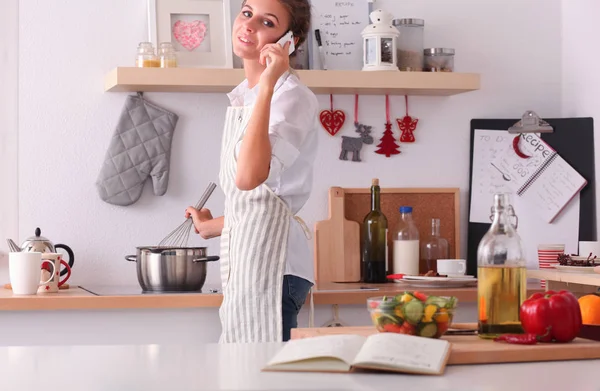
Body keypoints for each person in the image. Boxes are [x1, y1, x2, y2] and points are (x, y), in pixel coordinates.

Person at [185, 0, 318, 343]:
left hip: (275, 270)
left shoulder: (290, 97)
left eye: (267, 22)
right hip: (248, 261)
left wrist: (270, 83)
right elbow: (258, 203)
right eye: (246, 13)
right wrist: (209, 227)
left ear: (290, 42)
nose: (249, 25)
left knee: (262, 376)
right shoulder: (247, 96)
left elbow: (247, 177)